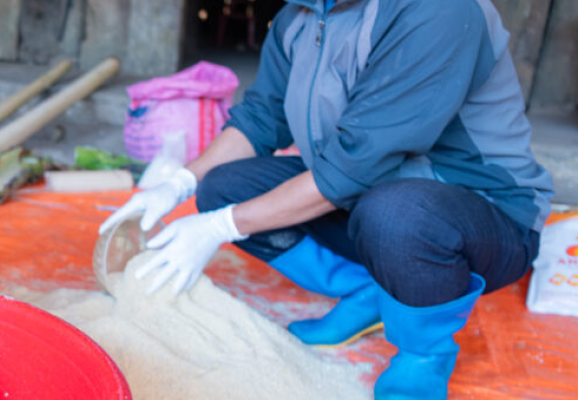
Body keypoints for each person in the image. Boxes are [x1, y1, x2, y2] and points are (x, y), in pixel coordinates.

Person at [102, 0, 553, 399]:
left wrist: (222, 226)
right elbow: (261, 120)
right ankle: (371, 291)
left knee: (397, 215)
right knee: (223, 188)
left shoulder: (438, 10)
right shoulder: (298, 16)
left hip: (482, 217)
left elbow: (357, 163)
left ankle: (423, 355)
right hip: (370, 194)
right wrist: (181, 182)